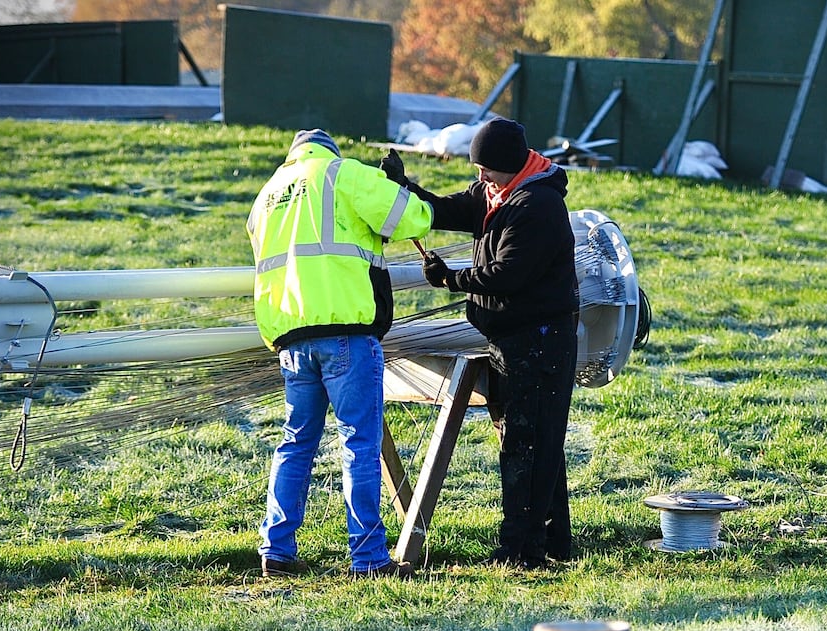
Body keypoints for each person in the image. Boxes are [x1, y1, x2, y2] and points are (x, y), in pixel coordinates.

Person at [381, 118, 579, 569]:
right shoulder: (494, 194)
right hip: (515, 336)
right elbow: (443, 212)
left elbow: (510, 274)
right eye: (477, 168)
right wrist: (404, 187)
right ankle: (549, 544)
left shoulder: (538, 205)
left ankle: (520, 552)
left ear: (511, 165)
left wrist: (451, 279)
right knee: (537, 442)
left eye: (487, 168)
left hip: (540, 339)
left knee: (526, 445)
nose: (479, 177)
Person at [247, 128, 434, 578]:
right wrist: (397, 186)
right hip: (347, 331)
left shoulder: (266, 197)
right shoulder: (343, 174)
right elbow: (415, 220)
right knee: (358, 444)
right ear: (329, 150)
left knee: (295, 443)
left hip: (290, 337)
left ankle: (276, 550)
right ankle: (368, 558)